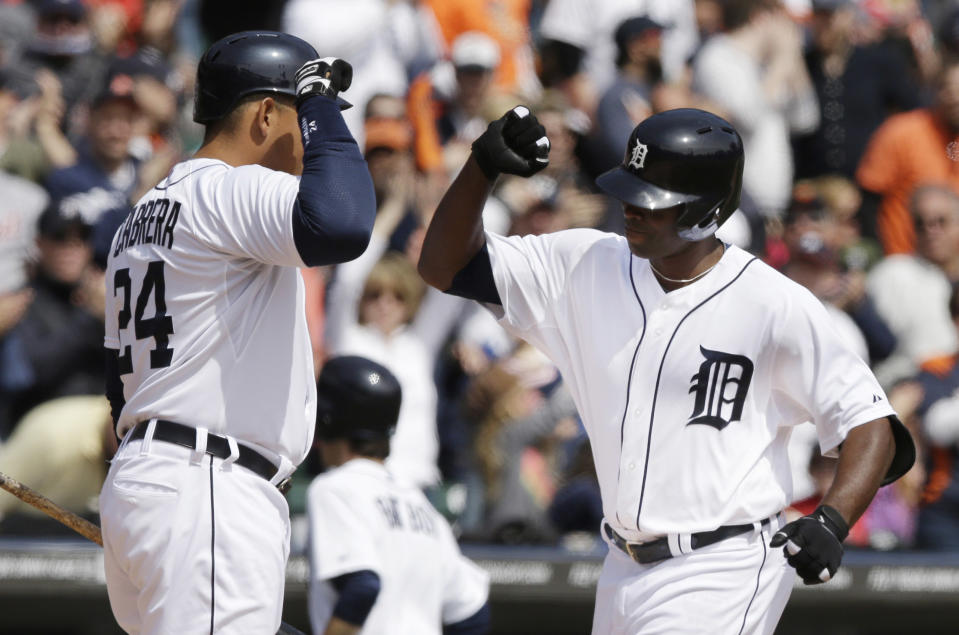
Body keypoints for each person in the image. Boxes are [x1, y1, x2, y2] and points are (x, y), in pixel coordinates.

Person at [417, 105, 916, 633]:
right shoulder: (585, 263)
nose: (631, 208)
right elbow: (443, 266)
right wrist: (481, 168)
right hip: (620, 566)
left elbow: (870, 423)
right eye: (630, 191)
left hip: (723, 564)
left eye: (653, 202)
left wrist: (831, 522)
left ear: (706, 211)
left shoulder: (773, 303)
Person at [98, 31, 376, 634]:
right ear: (268, 113)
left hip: (154, 485)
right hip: (209, 486)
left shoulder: (143, 213)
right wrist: (323, 108)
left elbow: (118, 391)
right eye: (300, 118)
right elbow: (344, 223)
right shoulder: (230, 188)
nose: (309, 142)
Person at [306, 355, 491, 635]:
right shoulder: (419, 502)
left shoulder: (333, 488)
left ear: (327, 420)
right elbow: (471, 611)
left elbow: (362, 586)